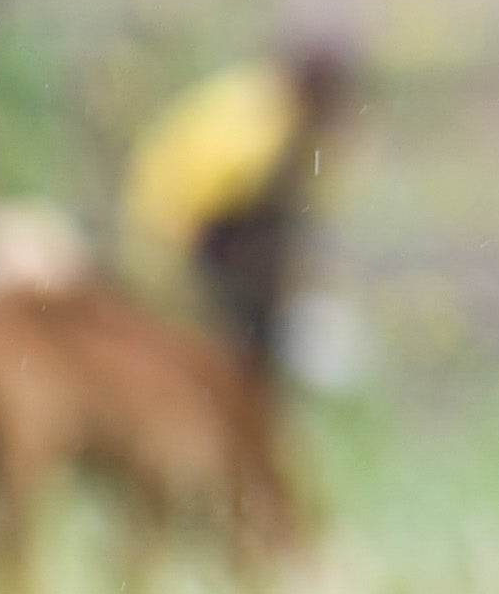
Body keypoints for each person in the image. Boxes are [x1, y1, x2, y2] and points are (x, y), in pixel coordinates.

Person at [117, 32, 355, 380]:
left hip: (206, 254)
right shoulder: (256, 136)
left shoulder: (283, 117)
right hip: (178, 258)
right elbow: (196, 222)